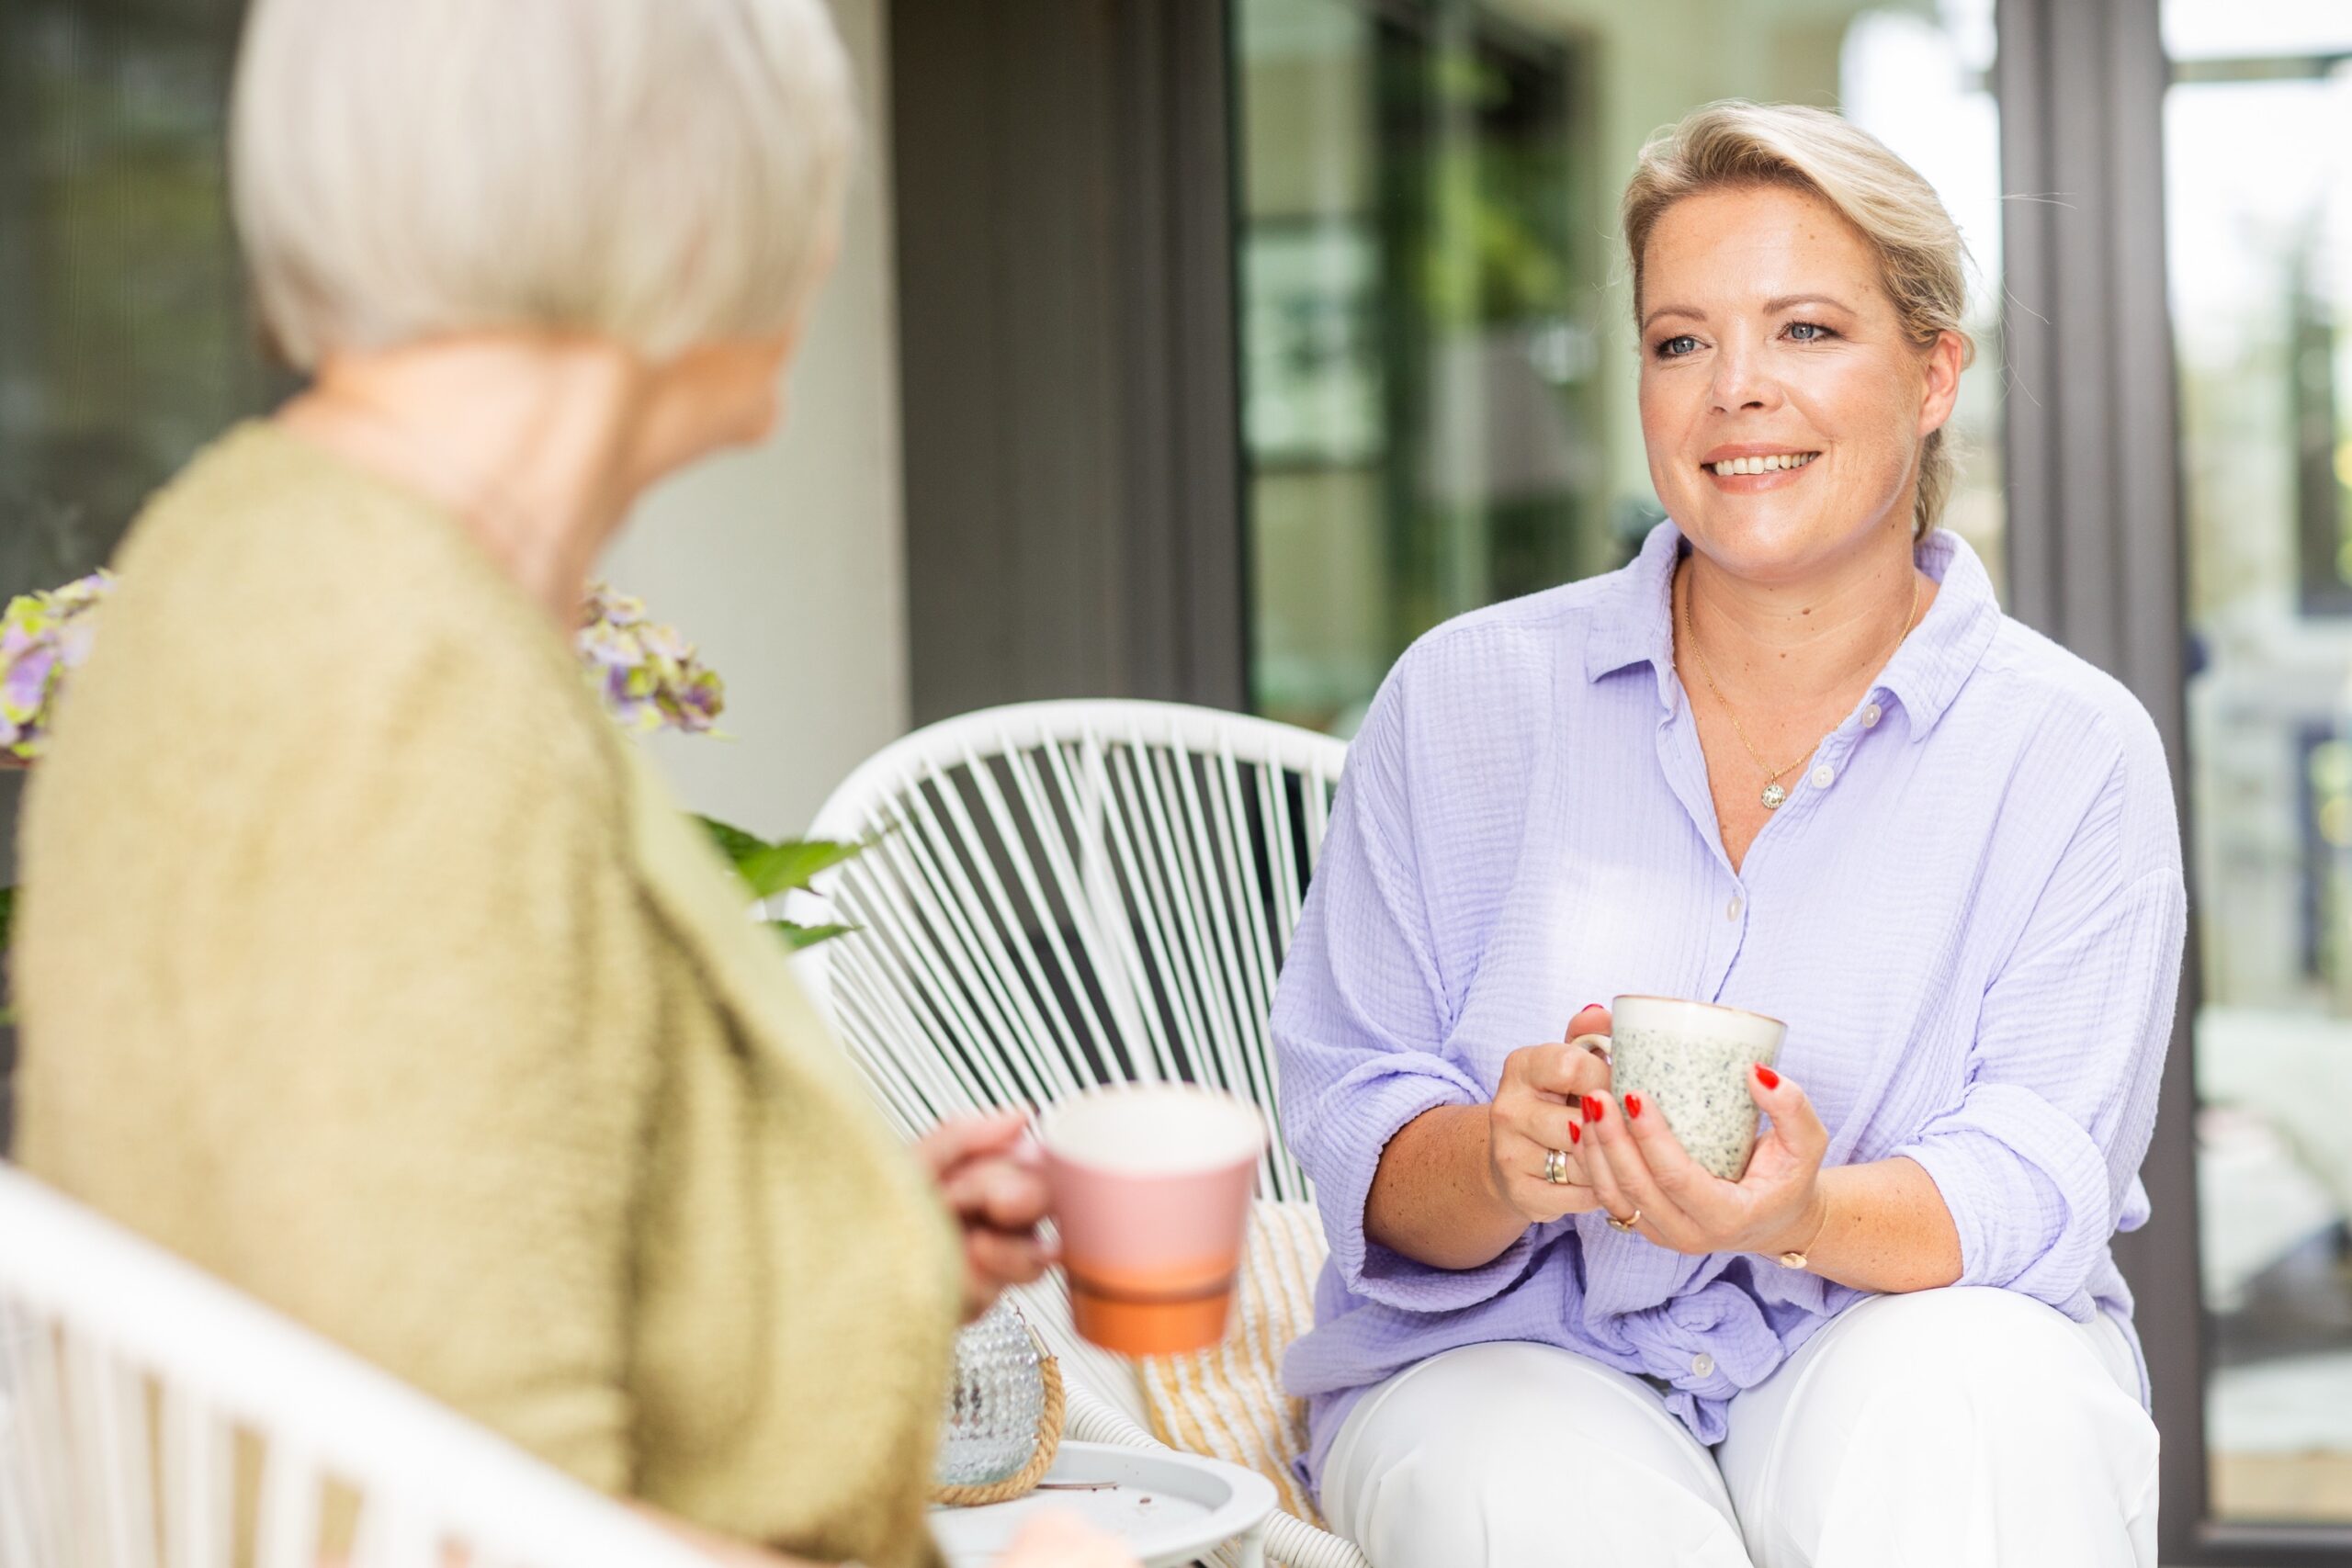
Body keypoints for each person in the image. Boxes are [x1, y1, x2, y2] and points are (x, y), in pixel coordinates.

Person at [11, 2, 1132, 1565]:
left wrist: (850, 1251)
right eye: (809, 175)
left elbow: (409, 1222)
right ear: (684, 203)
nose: (823, 234)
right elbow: (460, 1519)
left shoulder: (271, 559)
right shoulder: (396, 681)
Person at [1272, 101, 2185, 1568]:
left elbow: (2037, 1180)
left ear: (1935, 370)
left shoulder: (2068, 752)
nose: (1735, 391)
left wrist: (1801, 1208)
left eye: (1808, 331)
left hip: (1882, 1334)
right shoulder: (1464, 699)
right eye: (1682, 341)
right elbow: (1355, 1120)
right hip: (1517, 1352)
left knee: (1983, 1403)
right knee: (1524, 1488)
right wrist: (1499, 1163)